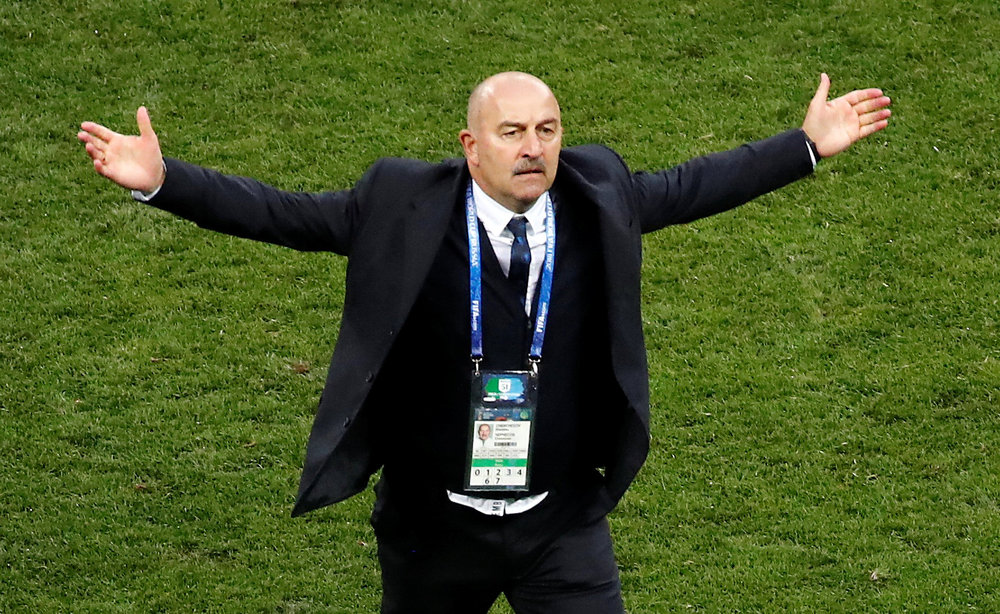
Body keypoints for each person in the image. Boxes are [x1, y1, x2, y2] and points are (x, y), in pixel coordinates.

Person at [78, 71, 890, 613]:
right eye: (511, 132)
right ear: (472, 146)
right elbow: (283, 214)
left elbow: (695, 185)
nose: (533, 147)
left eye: (546, 128)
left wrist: (806, 146)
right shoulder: (400, 204)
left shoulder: (598, 192)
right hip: (436, 530)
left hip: (561, 520)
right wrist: (162, 179)